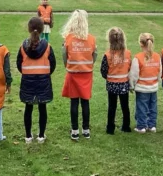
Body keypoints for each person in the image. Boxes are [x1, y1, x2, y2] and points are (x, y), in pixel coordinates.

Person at [17, 17, 56, 144]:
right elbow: (53, 64)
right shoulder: (47, 46)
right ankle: (40, 135)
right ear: (41, 29)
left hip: (28, 80)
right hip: (43, 81)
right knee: (42, 108)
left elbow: (19, 64)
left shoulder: (23, 47)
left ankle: (28, 136)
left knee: (28, 108)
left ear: (29, 29)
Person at [61, 9, 97, 141]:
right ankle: (86, 130)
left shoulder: (68, 38)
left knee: (74, 102)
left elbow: (64, 56)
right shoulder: (91, 38)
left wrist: (68, 66)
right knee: (85, 102)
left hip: (73, 73)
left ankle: (75, 131)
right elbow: (95, 55)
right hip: (87, 73)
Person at [100, 27, 132, 134]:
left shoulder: (107, 55)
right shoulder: (128, 53)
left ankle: (110, 128)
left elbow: (103, 70)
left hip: (112, 84)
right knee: (125, 106)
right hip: (124, 83)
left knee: (112, 106)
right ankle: (126, 126)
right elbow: (130, 67)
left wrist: (109, 77)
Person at [130, 33, 161, 133]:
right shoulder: (157, 56)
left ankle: (141, 126)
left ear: (141, 44)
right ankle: (152, 126)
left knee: (141, 107)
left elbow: (134, 74)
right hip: (153, 86)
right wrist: (157, 81)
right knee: (153, 107)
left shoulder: (138, 57)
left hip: (142, 87)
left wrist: (131, 85)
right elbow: (159, 71)